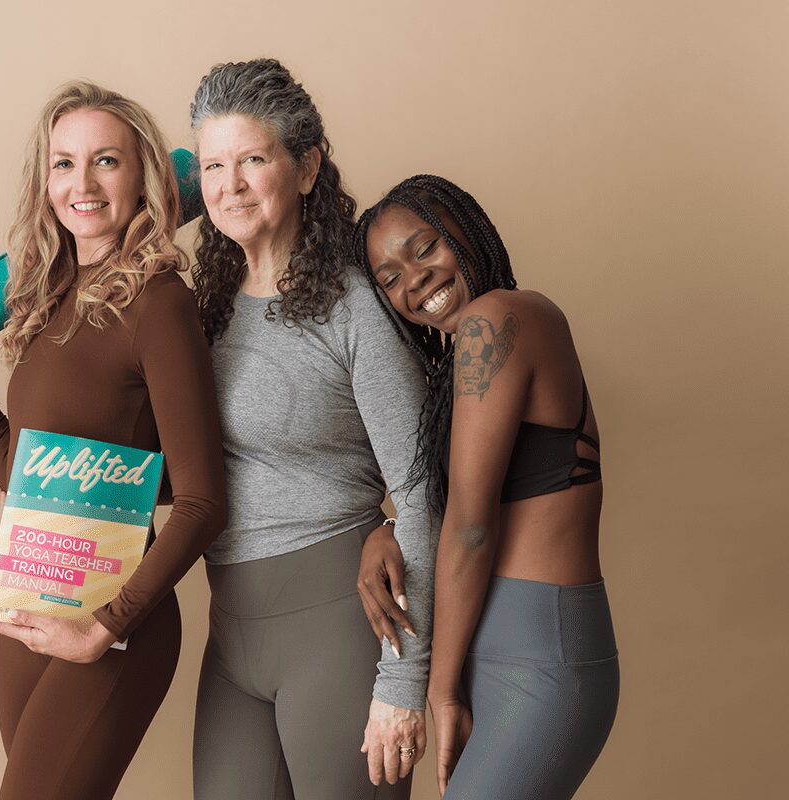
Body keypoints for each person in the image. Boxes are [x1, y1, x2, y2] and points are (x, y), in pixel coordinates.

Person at [0, 81, 227, 800]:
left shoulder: (160, 301)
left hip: (112, 619)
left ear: (144, 176)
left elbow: (202, 501)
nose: (82, 184)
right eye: (63, 163)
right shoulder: (44, 297)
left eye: (106, 162)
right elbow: (31, 477)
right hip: (29, 599)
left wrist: (104, 626)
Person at [187, 58, 438, 799]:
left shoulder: (356, 308)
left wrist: (404, 680)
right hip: (230, 630)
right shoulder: (203, 303)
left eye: (253, 160)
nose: (229, 185)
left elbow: (422, 495)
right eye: (212, 165)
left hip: (337, 625)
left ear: (307, 168)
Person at [355, 174, 619, 799]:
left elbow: (472, 526)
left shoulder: (493, 321)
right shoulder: (495, 335)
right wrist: (386, 530)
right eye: (388, 277)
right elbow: (486, 496)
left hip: (536, 652)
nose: (412, 280)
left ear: (467, 231)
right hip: (510, 641)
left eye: (424, 247)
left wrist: (439, 691)